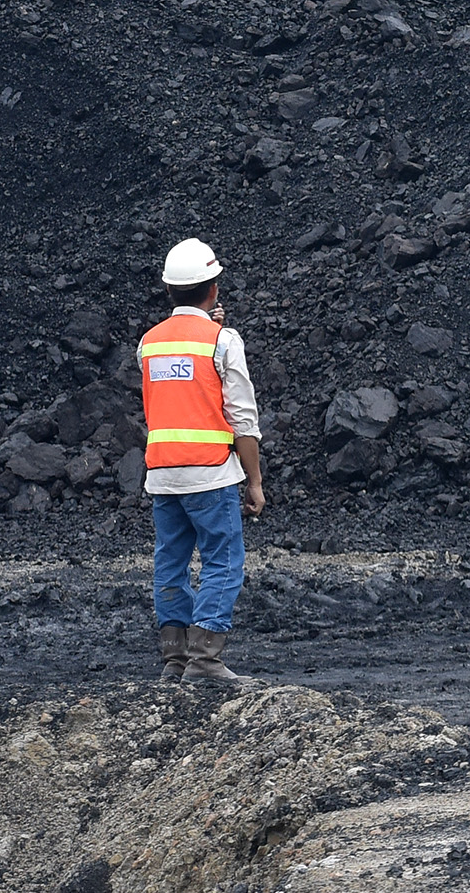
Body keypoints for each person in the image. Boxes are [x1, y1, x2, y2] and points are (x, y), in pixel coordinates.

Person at [138, 237, 265, 686]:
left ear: (169, 290)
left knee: (170, 561)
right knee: (223, 560)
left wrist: (209, 328)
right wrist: (254, 481)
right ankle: (206, 657)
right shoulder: (223, 341)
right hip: (210, 473)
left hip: (162, 475)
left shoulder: (148, 344)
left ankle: (175, 657)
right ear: (213, 289)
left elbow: (180, 377)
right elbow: (243, 420)